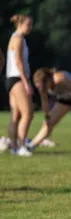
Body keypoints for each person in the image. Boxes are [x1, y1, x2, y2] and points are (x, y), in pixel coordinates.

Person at [29, 68, 71, 151]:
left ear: (48, 80)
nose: (41, 89)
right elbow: (45, 103)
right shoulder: (43, 88)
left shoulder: (59, 78)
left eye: (42, 86)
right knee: (49, 123)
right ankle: (31, 145)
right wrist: (47, 116)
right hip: (65, 98)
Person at [4, 14, 34, 157]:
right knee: (28, 113)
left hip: (11, 79)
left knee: (15, 116)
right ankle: (21, 145)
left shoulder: (15, 37)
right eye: (28, 25)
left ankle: (14, 147)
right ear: (20, 25)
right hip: (17, 79)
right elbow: (18, 62)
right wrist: (26, 82)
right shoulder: (19, 38)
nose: (30, 28)